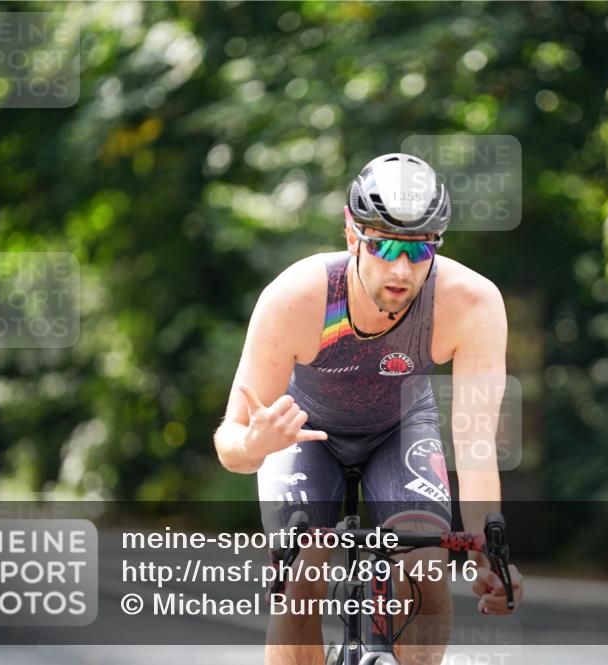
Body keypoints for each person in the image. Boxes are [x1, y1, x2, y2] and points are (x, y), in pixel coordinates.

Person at [214, 153, 523, 665]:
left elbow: (474, 446)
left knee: (428, 570)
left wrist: (491, 552)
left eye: (418, 248)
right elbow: (231, 443)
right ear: (351, 233)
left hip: (399, 428)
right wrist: (253, 445)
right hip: (302, 433)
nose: (401, 268)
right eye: (383, 244)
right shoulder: (298, 297)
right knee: (300, 575)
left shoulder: (471, 303)